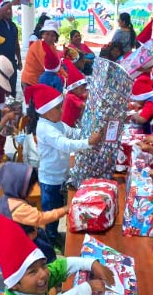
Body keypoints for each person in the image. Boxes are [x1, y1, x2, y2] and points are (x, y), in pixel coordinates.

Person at [24, 84, 103, 253]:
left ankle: (54, 237)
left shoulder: (56, 123)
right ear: (45, 111)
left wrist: (87, 133)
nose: (62, 110)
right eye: (58, 107)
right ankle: (51, 242)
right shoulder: (45, 128)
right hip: (50, 179)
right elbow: (65, 144)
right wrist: (88, 143)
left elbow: (72, 133)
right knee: (52, 213)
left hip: (59, 176)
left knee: (58, 208)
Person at [0, 162, 68, 263]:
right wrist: (64, 210)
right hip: (28, 243)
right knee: (48, 256)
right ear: (17, 186)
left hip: (17, 239)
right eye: (29, 188)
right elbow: (41, 218)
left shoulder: (5, 199)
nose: (31, 190)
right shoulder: (20, 209)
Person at [21, 19, 65, 89]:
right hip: (30, 82)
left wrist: (66, 76)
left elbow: (57, 64)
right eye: (47, 34)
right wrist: (64, 78)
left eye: (53, 35)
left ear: (56, 37)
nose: (50, 37)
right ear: (42, 34)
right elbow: (50, 68)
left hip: (41, 81)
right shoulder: (38, 46)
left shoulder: (52, 46)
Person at [0, 0, 22, 97]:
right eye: (6, 9)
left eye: (10, 9)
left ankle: (12, 109)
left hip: (12, 61)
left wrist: (19, 60)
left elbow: (16, 44)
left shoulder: (13, 26)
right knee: (1, 88)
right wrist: (11, 3)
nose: (9, 11)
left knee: (12, 88)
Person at [61, 59, 87, 128]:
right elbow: (83, 105)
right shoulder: (71, 97)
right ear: (74, 89)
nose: (83, 91)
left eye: (84, 89)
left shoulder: (75, 94)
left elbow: (84, 95)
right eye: (81, 89)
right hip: (68, 125)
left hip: (71, 123)